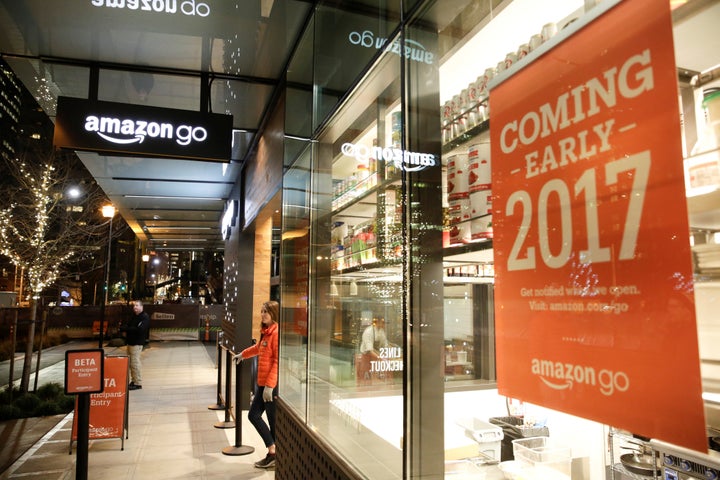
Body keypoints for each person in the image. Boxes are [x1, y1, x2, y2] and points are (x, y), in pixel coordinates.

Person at [233, 300, 279, 469]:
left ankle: (273, 453)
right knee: (255, 415)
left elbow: (277, 362)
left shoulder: (276, 333)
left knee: (271, 420)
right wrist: (243, 355)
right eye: (261, 311)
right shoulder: (266, 333)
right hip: (263, 384)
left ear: (273, 313)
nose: (263, 314)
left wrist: (270, 386)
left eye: (266, 311)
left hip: (270, 386)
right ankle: (273, 452)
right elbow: (258, 348)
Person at [120, 300, 149, 390]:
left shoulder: (144, 317)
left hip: (137, 343)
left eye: (137, 305)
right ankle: (133, 380)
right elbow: (129, 326)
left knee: (135, 363)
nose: (135, 307)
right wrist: (125, 328)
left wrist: (127, 329)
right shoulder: (134, 317)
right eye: (134, 306)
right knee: (131, 363)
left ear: (141, 307)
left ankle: (137, 382)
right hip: (130, 342)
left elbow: (140, 329)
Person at [357, 317, 388, 385]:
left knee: (377, 378)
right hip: (367, 356)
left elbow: (385, 344)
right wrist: (381, 358)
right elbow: (369, 350)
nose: (384, 325)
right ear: (377, 323)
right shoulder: (368, 332)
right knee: (366, 377)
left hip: (376, 355)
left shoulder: (381, 331)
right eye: (383, 323)